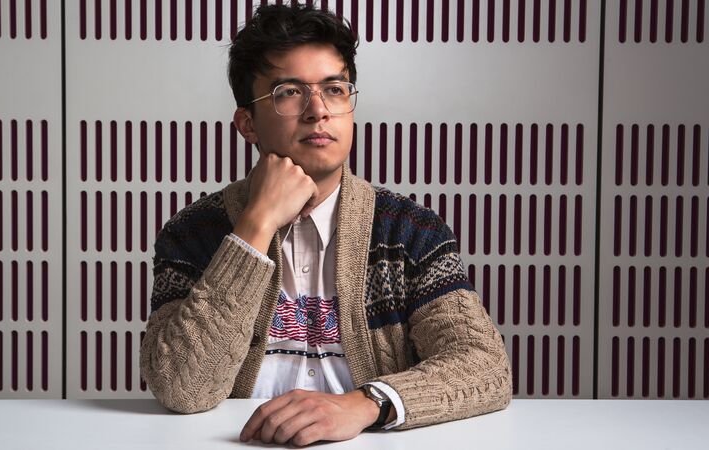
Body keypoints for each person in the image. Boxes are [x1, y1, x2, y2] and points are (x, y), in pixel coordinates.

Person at [139, 3, 511, 446]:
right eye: (289, 92)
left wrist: (364, 403)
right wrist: (255, 227)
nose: (318, 110)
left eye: (335, 89)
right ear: (247, 124)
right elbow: (182, 387)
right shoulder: (194, 232)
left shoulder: (409, 231)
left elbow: (483, 364)